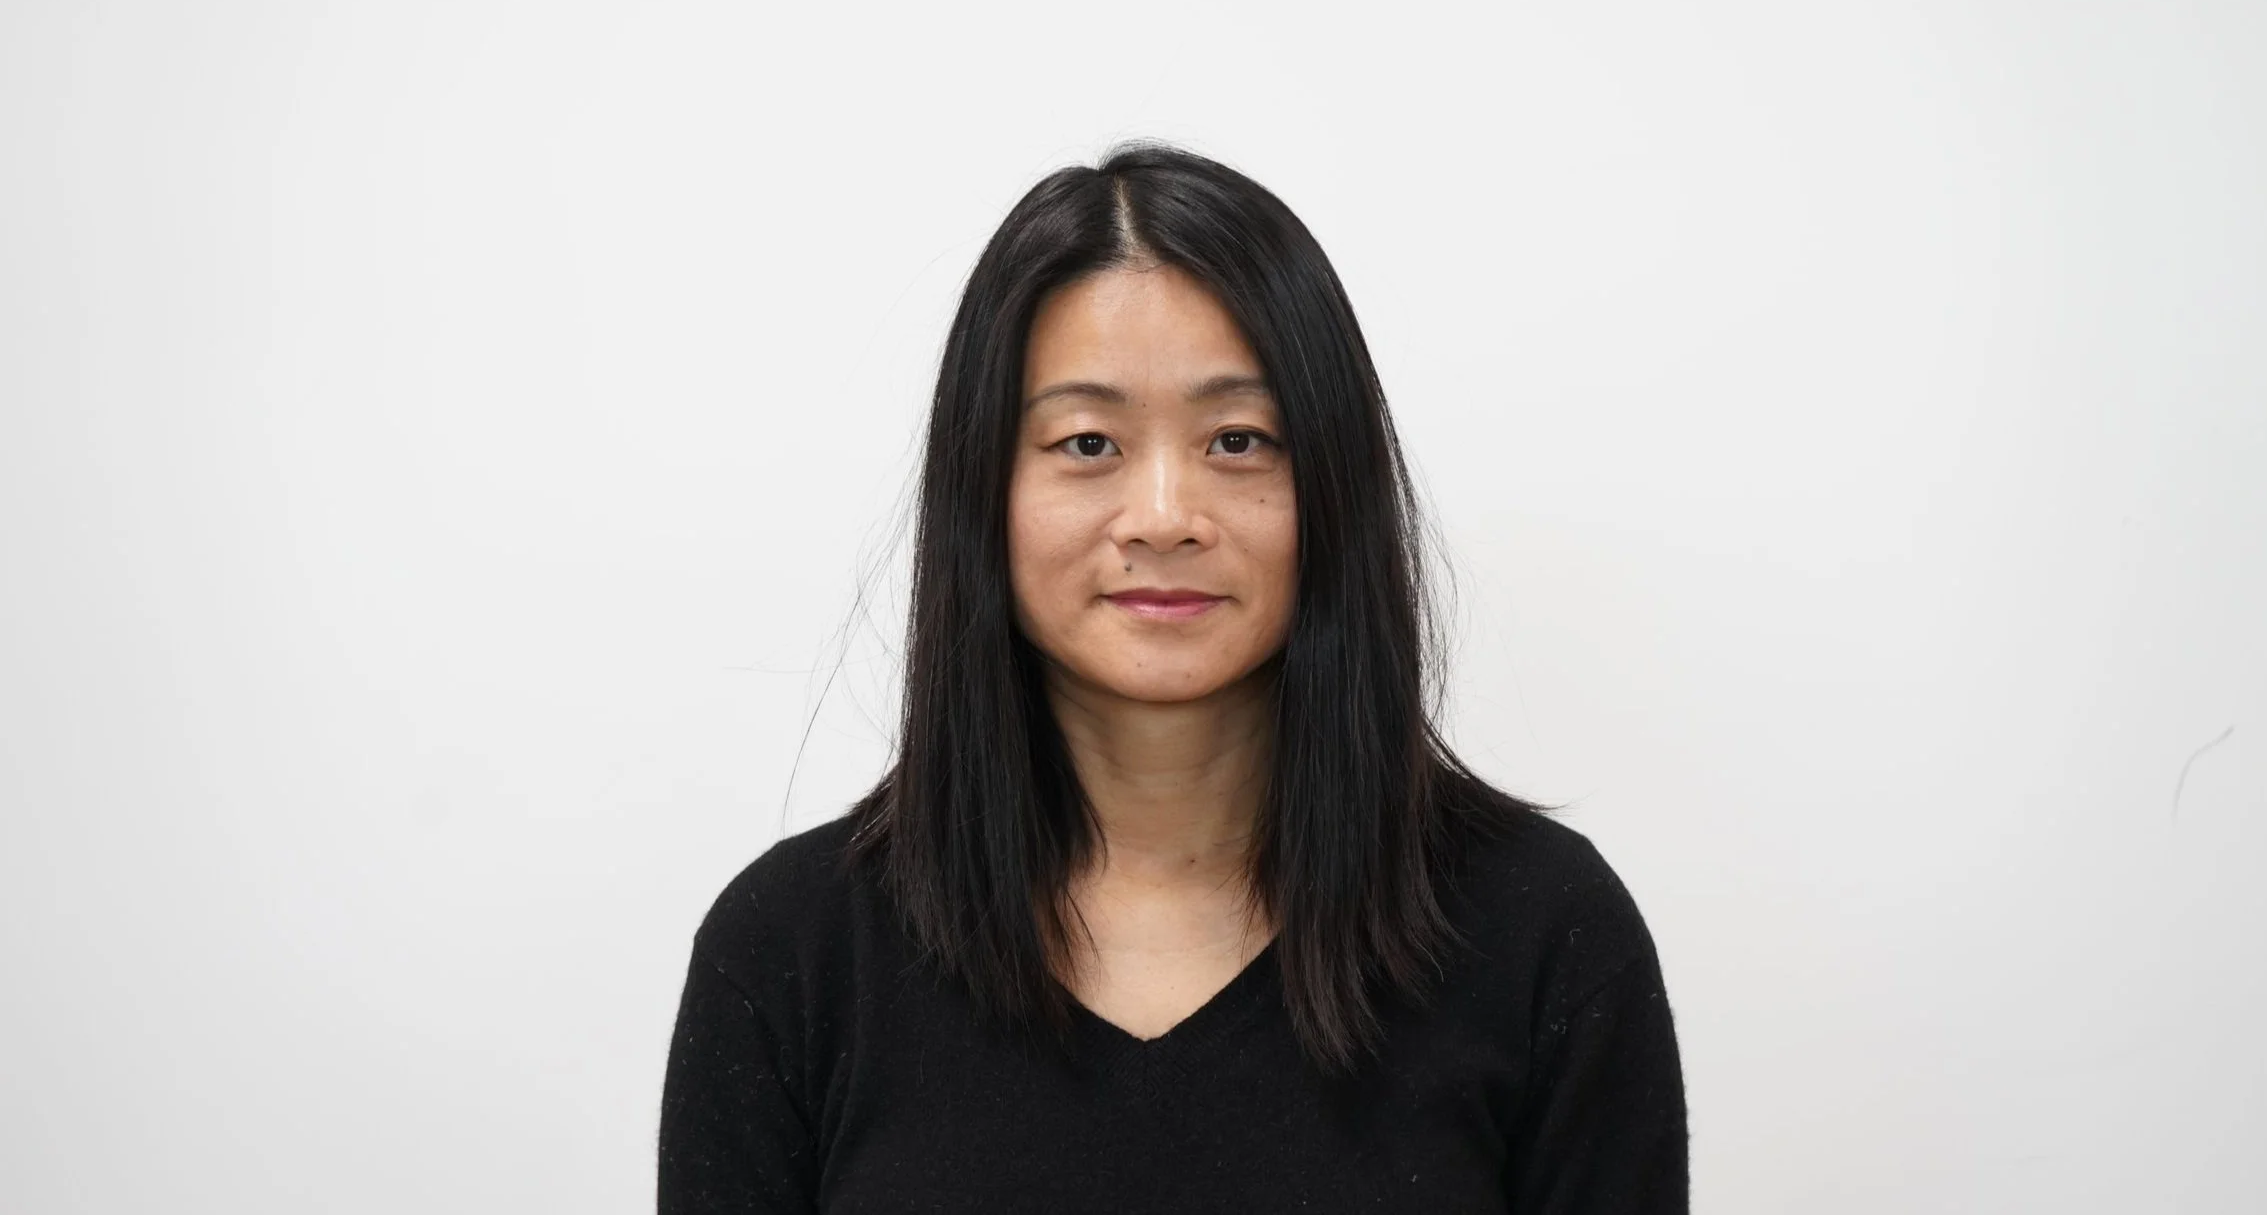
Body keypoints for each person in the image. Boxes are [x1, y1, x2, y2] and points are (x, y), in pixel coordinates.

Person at [657, 141, 1689, 1212]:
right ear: (985, 492)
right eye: (1089, 442)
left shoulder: (1541, 933)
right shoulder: (794, 953)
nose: (1163, 517)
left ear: (1334, 486)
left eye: (1239, 440)